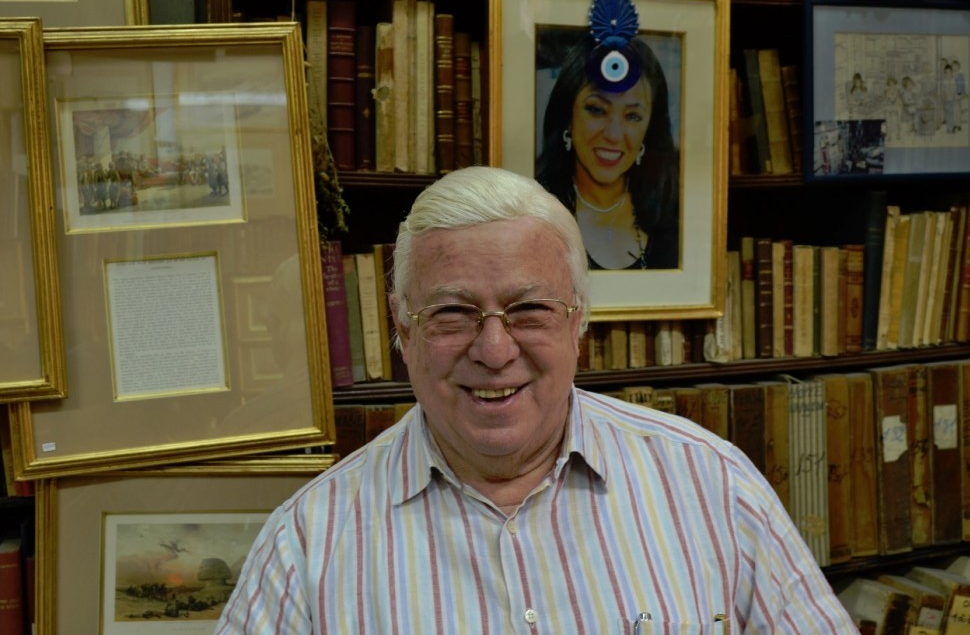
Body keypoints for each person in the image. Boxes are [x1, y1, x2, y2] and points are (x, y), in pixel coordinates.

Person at [214, 166, 856, 634]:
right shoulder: (304, 545)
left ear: (579, 322)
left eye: (529, 310)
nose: (494, 350)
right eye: (452, 312)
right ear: (402, 328)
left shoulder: (715, 487)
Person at [536, 35, 679, 271]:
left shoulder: (672, 224)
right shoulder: (535, 217)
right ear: (567, 119)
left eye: (633, 116)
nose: (614, 134)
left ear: (649, 129)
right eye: (597, 110)